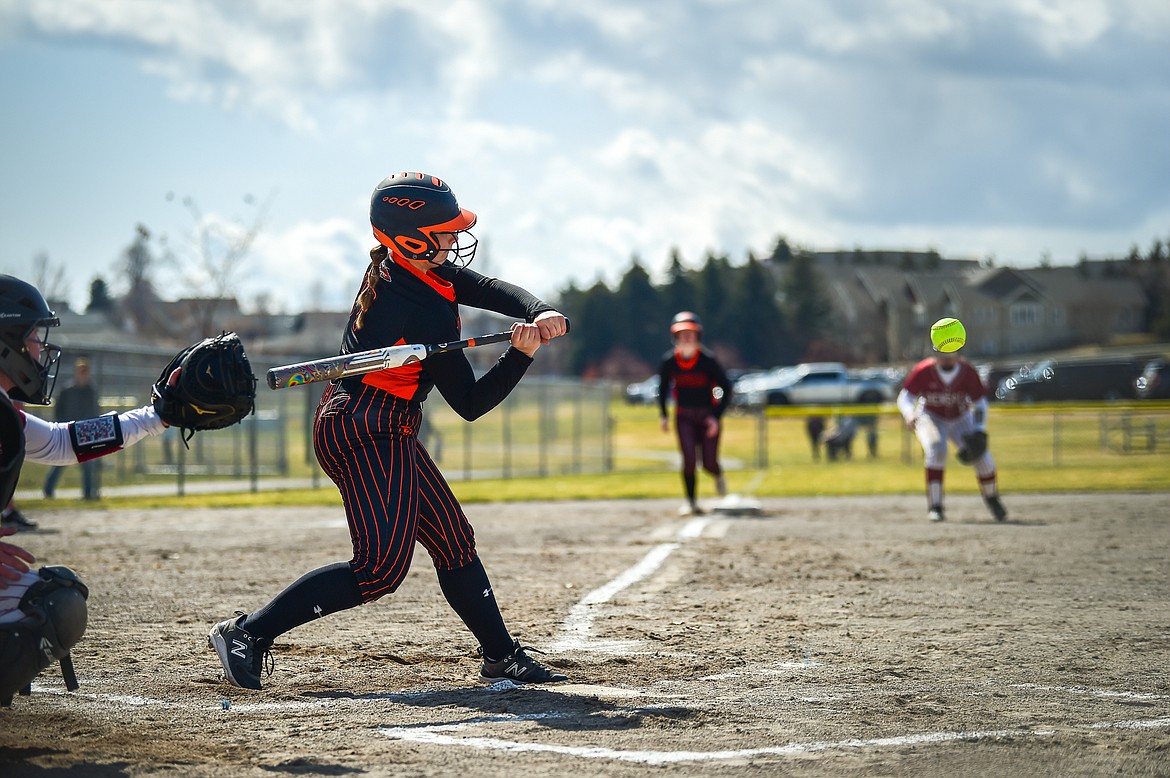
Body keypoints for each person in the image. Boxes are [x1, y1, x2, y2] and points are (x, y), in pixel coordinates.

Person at [208, 171, 569, 691]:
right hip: (363, 427)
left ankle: (501, 655)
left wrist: (539, 309)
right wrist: (520, 354)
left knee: (452, 540)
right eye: (444, 231)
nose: (454, 239)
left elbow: (481, 286)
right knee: (380, 568)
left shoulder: (409, 271)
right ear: (410, 238)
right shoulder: (417, 308)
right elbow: (468, 404)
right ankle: (248, 633)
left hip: (383, 422)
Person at [0, 274, 183, 705]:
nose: (39, 350)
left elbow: (66, 441)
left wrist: (159, 415)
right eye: (31, 337)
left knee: (50, 598)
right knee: (55, 608)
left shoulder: (7, 413)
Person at [897, 320, 1007, 522]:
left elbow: (980, 403)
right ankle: (935, 506)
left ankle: (992, 499)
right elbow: (905, 397)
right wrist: (909, 414)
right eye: (942, 355)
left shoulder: (967, 372)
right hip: (931, 416)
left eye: (951, 355)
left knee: (983, 459)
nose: (946, 360)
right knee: (937, 450)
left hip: (960, 417)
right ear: (935, 352)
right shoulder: (924, 370)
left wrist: (980, 429)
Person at [656, 311, 733, 515]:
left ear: (698, 335)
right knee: (689, 459)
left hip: (707, 416)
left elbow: (727, 388)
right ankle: (691, 502)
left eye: (690, 333)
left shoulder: (708, 360)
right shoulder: (669, 362)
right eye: (682, 333)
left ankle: (717, 474)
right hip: (684, 416)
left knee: (708, 462)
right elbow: (662, 389)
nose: (687, 337)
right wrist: (663, 415)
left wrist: (716, 417)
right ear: (675, 337)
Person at [43, 357, 102, 500]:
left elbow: (95, 411)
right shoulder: (67, 390)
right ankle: (48, 490)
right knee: (61, 461)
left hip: (86, 432)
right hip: (67, 431)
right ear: (75, 372)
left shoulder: (91, 390)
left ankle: (88, 494)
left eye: (85, 371)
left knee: (88, 465)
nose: (83, 374)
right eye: (80, 371)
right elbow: (58, 410)